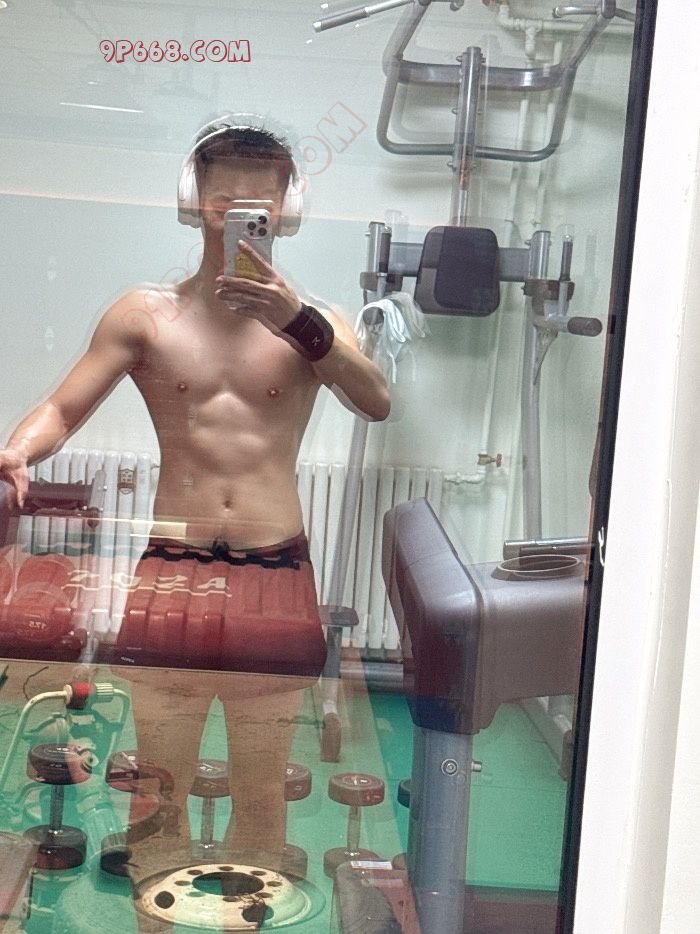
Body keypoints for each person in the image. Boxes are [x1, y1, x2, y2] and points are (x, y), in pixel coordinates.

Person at [0, 117, 390, 879]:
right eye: (223, 202)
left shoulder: (318, 327)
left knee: (262, 793)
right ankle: (157, 924)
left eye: (258, 204)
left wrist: (297, 322)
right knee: (158, 789)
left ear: (286, 211)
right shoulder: (146, 316)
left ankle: (244, 922)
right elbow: (62, 409)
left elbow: (375, 400)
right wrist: (17, 449)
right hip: (172, 570)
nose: (239, 216)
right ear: (193, 203)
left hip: (274, 574)